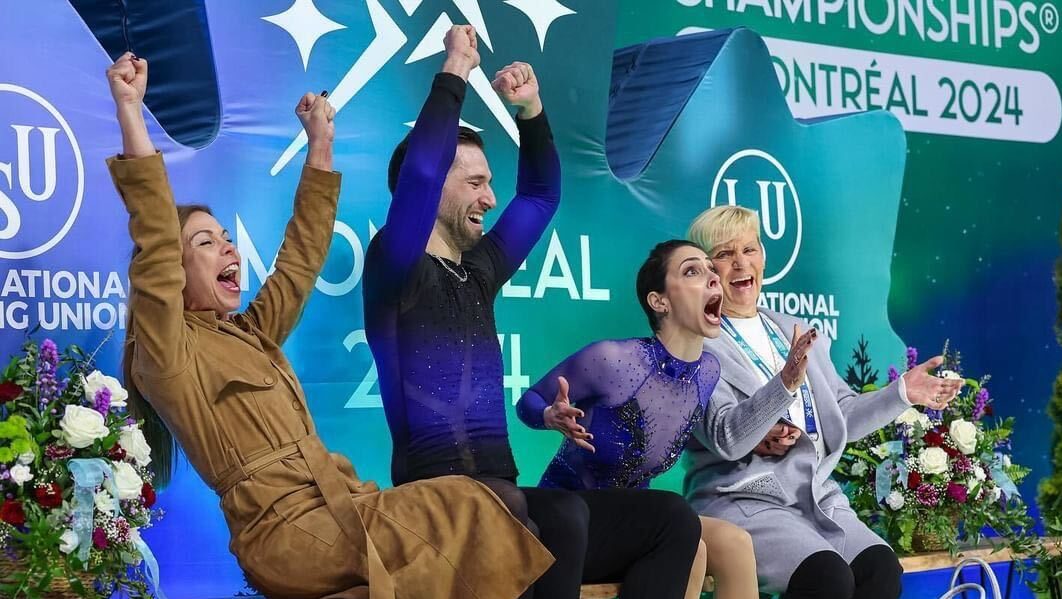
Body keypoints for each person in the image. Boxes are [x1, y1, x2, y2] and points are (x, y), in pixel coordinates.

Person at [107, 51, 550, 599]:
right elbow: (152, 233)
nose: (227, 248)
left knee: (501, 514)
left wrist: (320, 141)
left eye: (226, 237)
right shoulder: (166, 352)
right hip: (287, 536)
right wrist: (131, 109)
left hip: (344, 506)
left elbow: (300, 257)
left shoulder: (251, 333)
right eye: (205, 242)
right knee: (486, 507)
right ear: (168, 275)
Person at [363, 25, 701, 599]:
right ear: (429, 192)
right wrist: (455, 72)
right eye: (474, 182)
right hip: (434, 510)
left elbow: (541, 196)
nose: (489, 199)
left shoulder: (478, 272)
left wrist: (533, 112)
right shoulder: (394, 267)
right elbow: (420, 173)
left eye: (490, 184)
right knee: (551, 516)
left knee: (668, 520)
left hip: (503, 497)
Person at [682, 205, 964, 599]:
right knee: (826, 579)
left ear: (763, 256)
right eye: (725, 255)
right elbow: (727, 436)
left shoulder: (791, 329)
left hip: (815, 496)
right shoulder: (696, 345)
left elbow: (841, 414)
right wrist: (784, 383)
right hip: (743, 499)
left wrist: (902, 393)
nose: (741, 263)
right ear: (709, 271)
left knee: (880, 569)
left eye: (750, 249)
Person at [516, 240, 760, 599]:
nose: (712, 277)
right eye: (693, 270)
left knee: (731, 543)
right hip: (570, 523)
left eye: (711, 269)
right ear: (659, 301)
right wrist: (548, 415)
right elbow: (528, 401)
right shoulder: (615, 360)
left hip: (638, 524)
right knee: (684, 530)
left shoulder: (708, 371)